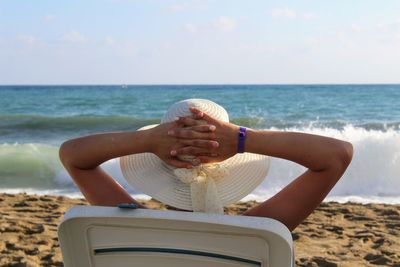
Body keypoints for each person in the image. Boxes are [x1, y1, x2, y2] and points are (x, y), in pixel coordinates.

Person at [59, 99, 353, 231]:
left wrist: (149, 140)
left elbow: (73, 156)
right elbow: (337, 155)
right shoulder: (258, 232)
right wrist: (241, 139)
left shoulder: (130, 228)